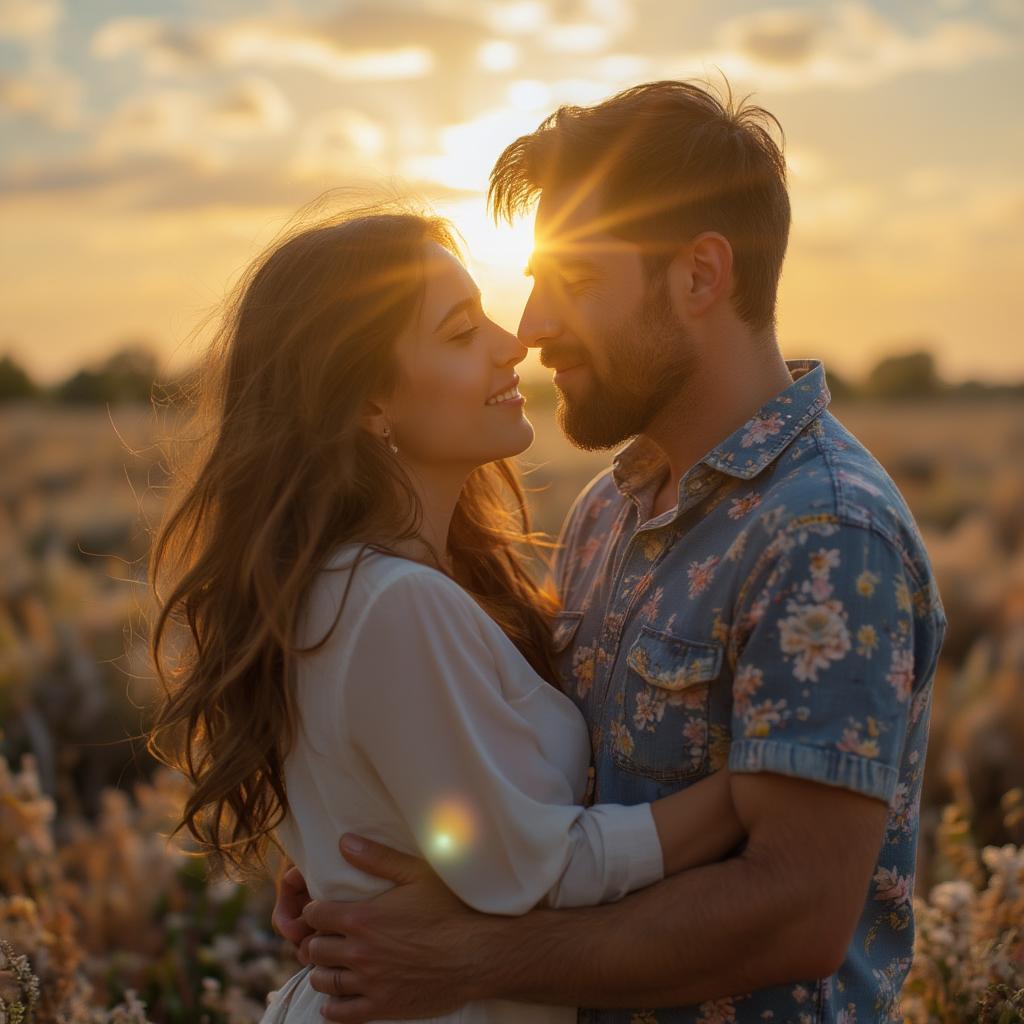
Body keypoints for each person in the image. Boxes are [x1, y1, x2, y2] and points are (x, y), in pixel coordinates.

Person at [276, 81, 948, 1023]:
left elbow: (796, 914)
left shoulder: (826, 536)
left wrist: (472, 958)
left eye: (577, 282)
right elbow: (543, 797)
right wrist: (373, 856)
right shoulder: (607, 512)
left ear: (700, 278)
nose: (535, 324)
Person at [146, 203, 750, 1024]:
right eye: (462, 332)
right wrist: (757, 789)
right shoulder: (393, 602)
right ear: (365, 403)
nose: (513, 343)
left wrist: (334, 872)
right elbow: (538, 871)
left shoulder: (343, 586)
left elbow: (421, 822)